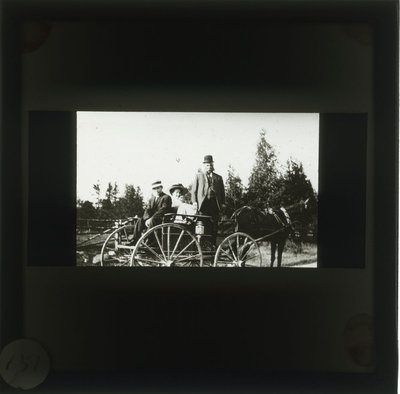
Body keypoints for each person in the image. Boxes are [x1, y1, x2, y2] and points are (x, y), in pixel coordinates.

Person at [191, 155, 225, 245]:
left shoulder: (218, 178)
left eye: (210, 165)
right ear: (204, 166)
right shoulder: (199, 176)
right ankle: (202, 246)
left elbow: (222, 192)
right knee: (202, 226)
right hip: (203, 205)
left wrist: (222, 204)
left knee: (214, 227)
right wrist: (194, 202)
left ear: (213, 165)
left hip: (214, 205)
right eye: (207, 165)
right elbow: (193, 191)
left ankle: (213, 246)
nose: (209, 167)